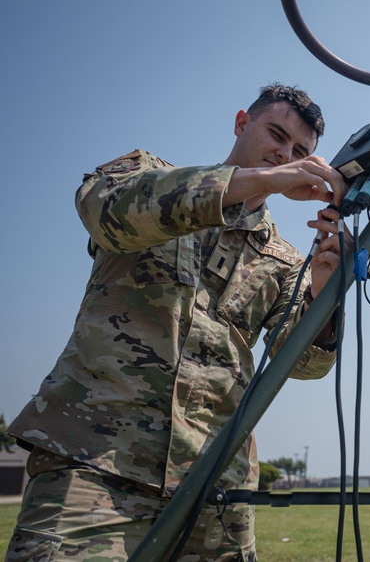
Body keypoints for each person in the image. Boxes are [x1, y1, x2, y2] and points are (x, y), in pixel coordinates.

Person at [4, 83, 351, 561]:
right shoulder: (151, 176)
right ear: (240, 123)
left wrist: (324, 293)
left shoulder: (285, 260)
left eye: (300, 152)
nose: (285, 156)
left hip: (214, 488)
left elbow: (306, 365)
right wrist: (260, 180)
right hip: (95, 466)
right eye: (276, 135)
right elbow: (105, 210)